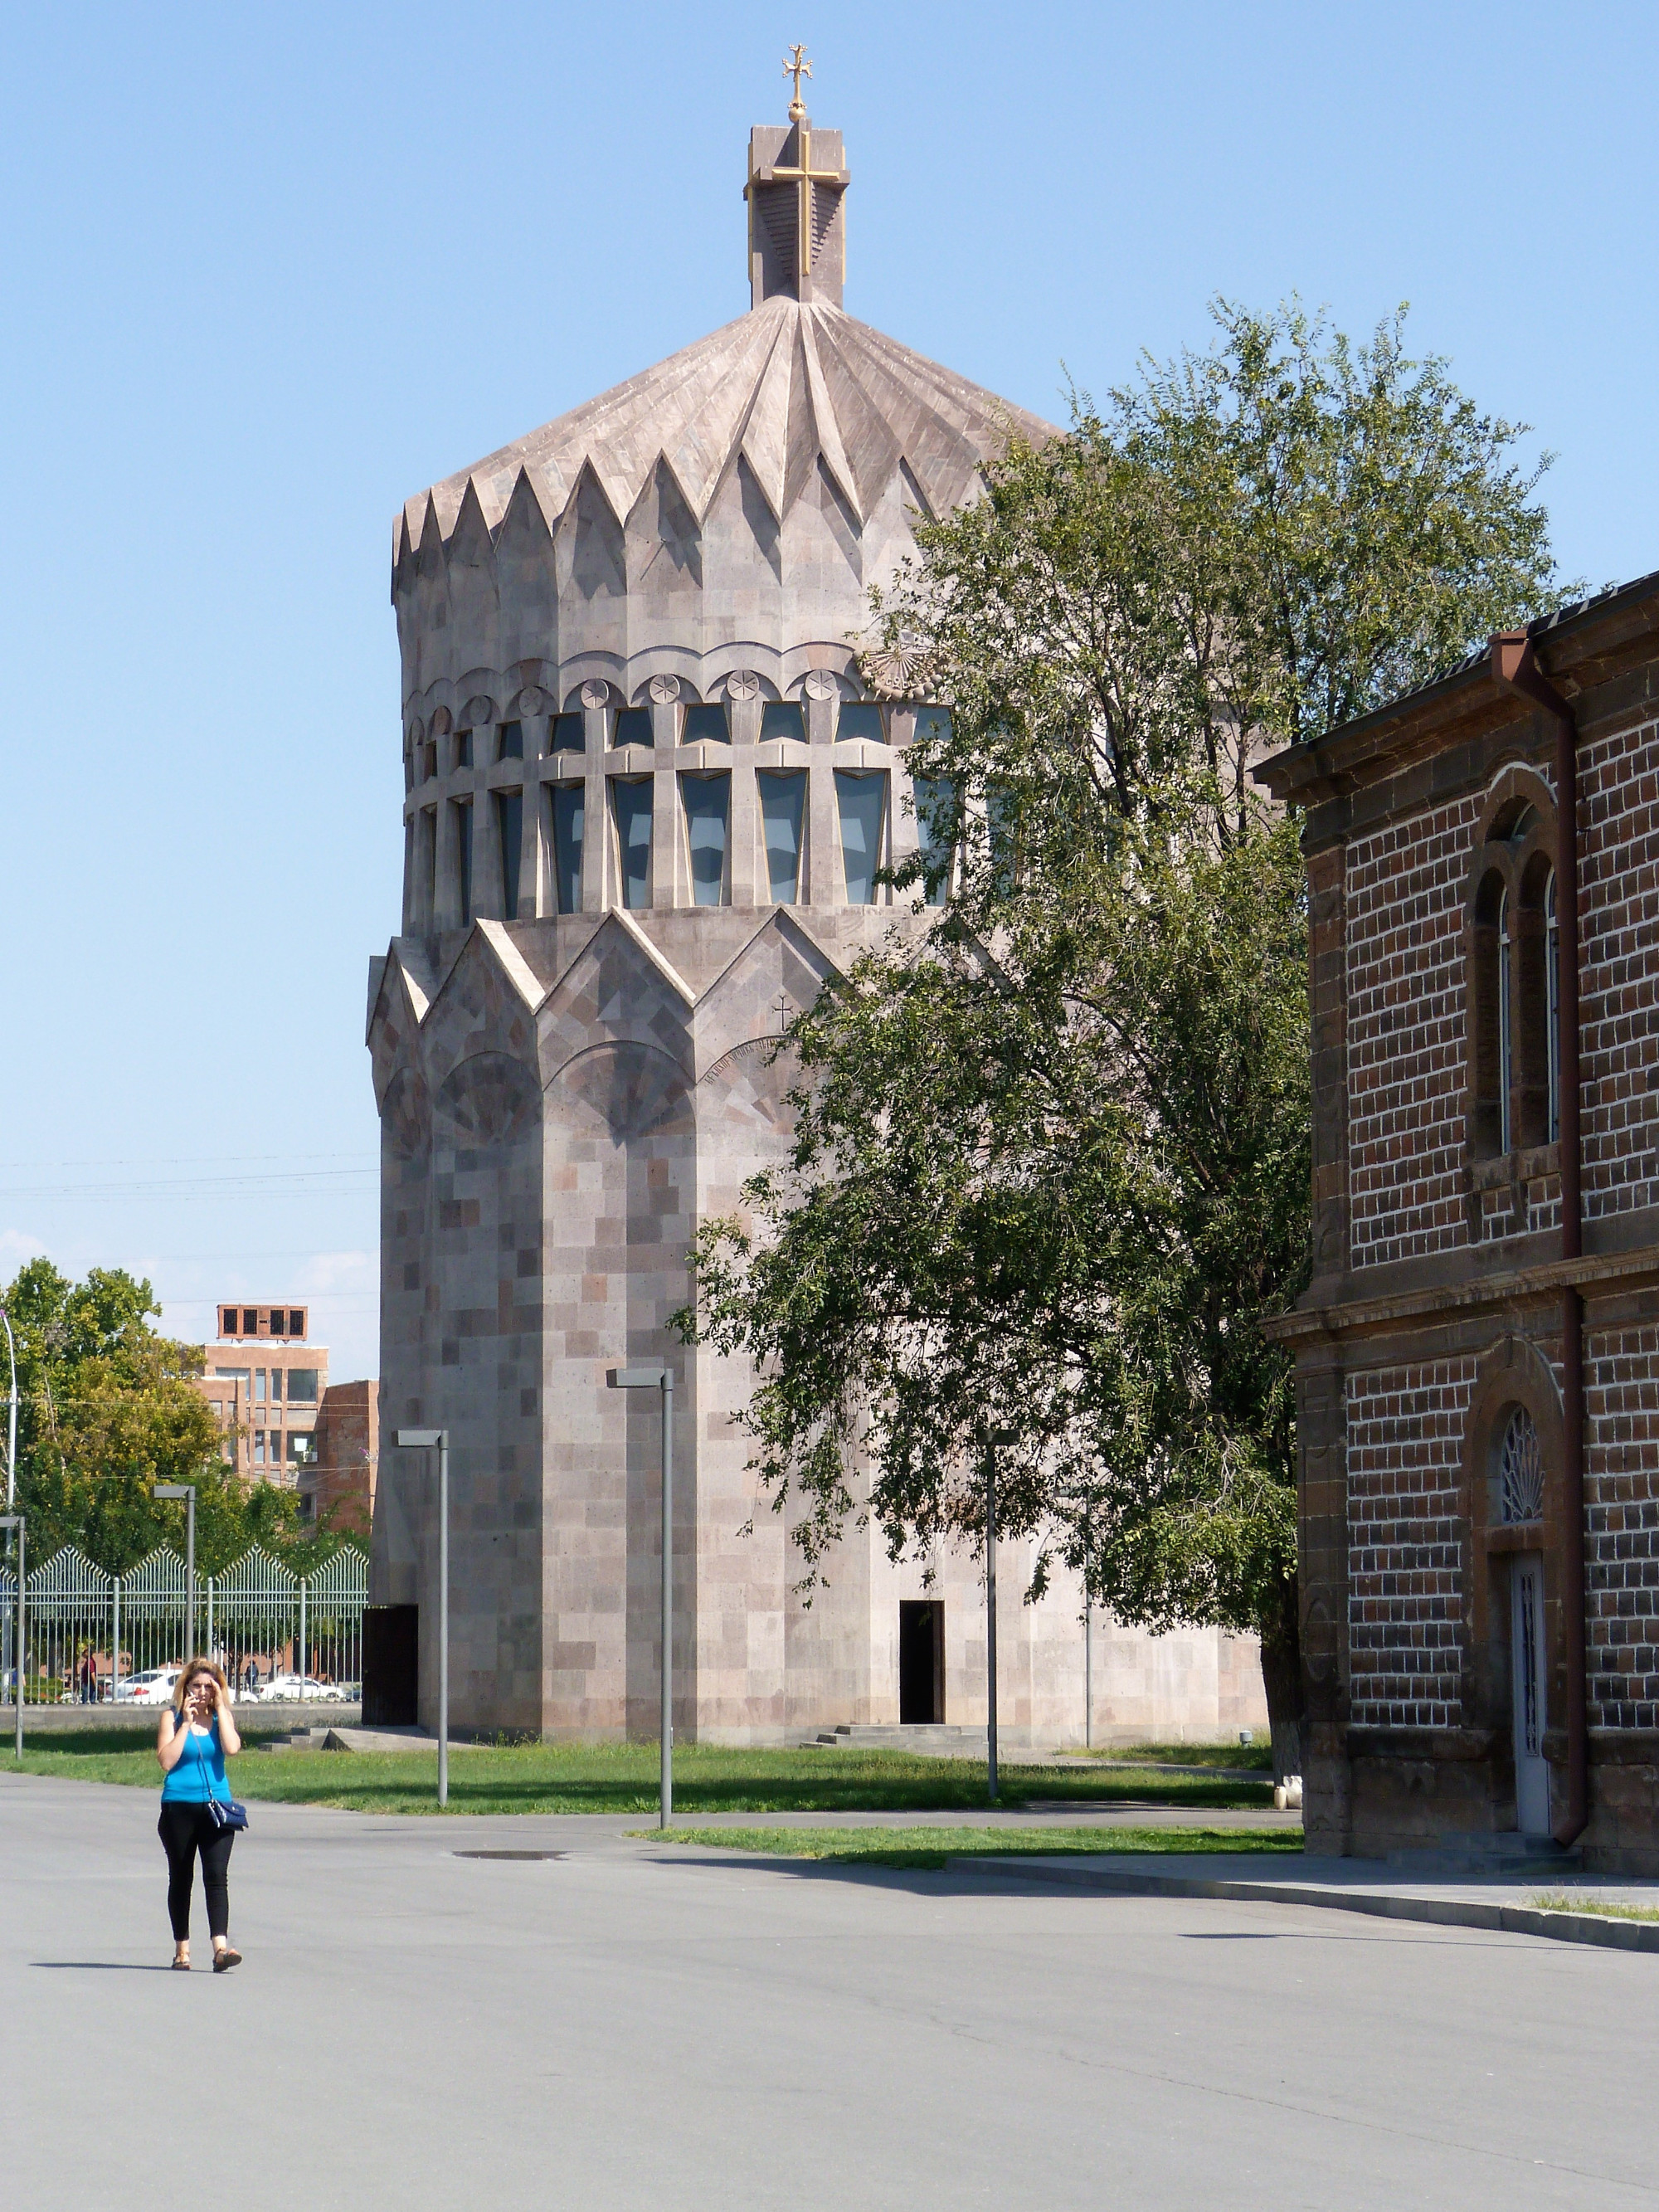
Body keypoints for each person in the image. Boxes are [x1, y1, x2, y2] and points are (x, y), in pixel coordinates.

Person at [155, 1658, 244, 1971]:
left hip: (217, 1810)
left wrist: (221, 1710)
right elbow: (166, 1761)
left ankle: (221, 1949)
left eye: (210, 1686)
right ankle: (182, 1950)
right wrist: (186, 1725)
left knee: (217, 1876)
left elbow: (232, 1748)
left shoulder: (222, 1718)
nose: (203, 1692)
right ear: (186, 1688)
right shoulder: (172, 1717)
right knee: (181, 1877)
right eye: (197, 1686)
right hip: (178, 1808)